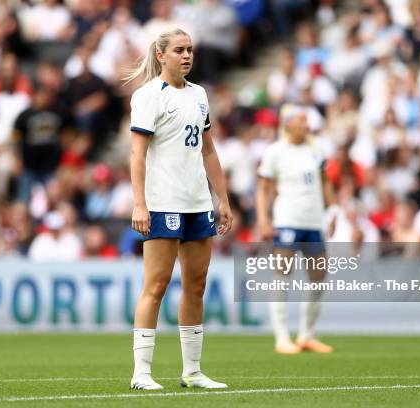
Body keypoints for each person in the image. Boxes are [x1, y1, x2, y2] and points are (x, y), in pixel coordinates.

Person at [125, 28, 233, 390]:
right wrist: (140, 202)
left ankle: (192, 370)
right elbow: (137, 153)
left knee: (196, 285)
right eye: (179, 50)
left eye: (190, 50)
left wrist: (223, 199)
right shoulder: (148, 96)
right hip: (162, 202)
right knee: (155, 284)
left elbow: (208, 150)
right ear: (161, 56)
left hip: (197, 204)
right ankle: (141, 373)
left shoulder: (200, 94)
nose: (187, 56)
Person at [256, 104, 335, 355]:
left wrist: (332, 212)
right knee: (283, 273)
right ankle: (281, 336)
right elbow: (264, 189)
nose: (306, 123)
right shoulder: (275, 152)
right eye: (301, 119)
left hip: (313, 222)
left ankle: (307, 334)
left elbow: (325, 184)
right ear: (288, 123)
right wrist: (263, 219)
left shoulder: (316, 149)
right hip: (288, 219)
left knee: (319, 275)